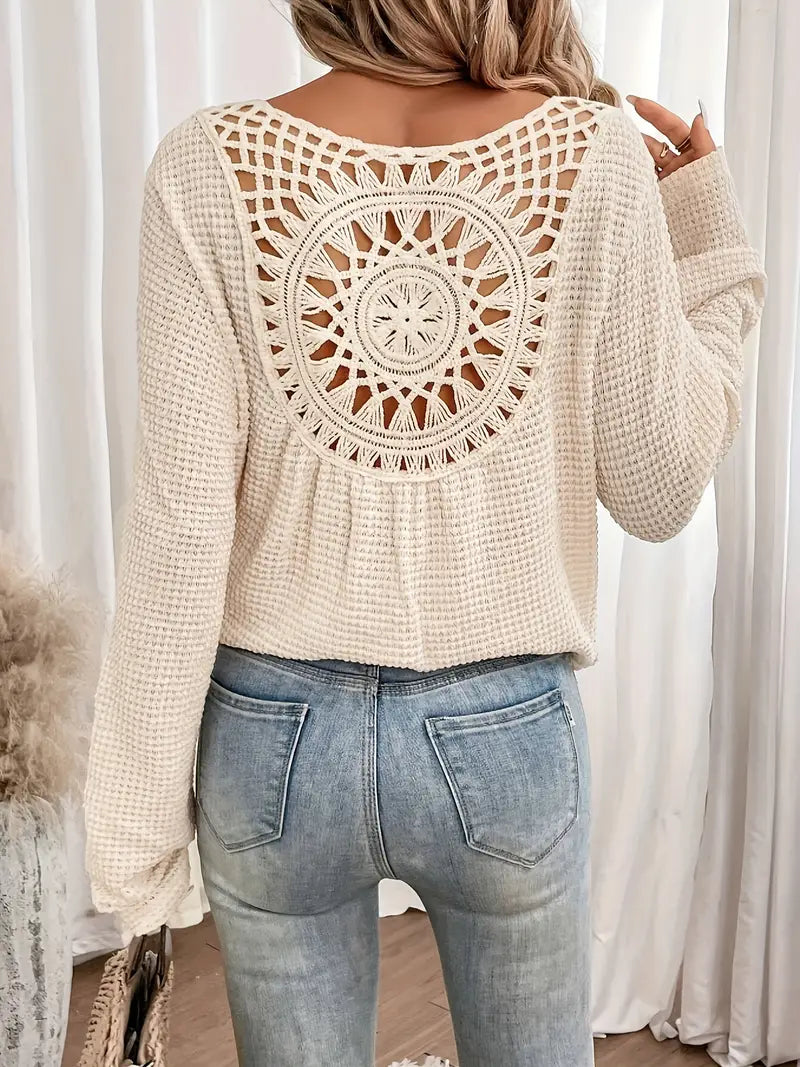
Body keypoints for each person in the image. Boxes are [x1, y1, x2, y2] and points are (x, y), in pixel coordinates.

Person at [83, 1, 767, 1064]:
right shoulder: (591, 154)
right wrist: (711, 248)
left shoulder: (207, 165)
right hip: (502, 730)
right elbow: (660, 485)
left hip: (270, 734)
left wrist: (132, 844)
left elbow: (179, 528)